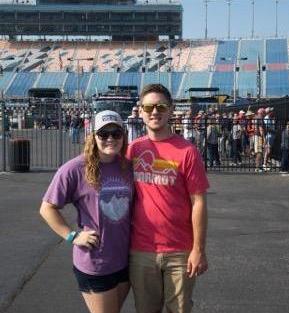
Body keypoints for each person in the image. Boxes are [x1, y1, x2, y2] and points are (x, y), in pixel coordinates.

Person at [39, 110, 133, 313]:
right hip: (96, 262)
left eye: (116, 133)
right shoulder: (74, 169)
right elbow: (47, 208)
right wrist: (73, 236)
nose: (110, 139)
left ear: (123, 136)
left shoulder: (127, 166)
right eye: (103, 134)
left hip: (125, 260)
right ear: (93, 136)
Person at [127, 84, 209, 313]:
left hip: (179, 251)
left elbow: (199, 202)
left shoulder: (187, 151)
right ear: (141, 111)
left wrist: (198, 249)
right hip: (141, 250)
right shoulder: (133, 149)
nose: (155, 111)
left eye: (161, 106)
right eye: (149, 107)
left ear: (171, 110)